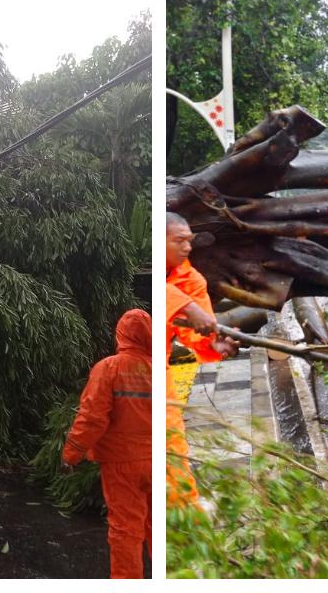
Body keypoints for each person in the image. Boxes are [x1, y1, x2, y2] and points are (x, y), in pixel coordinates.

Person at [61, 309, 152, 579]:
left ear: (121, 335)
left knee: (126, 530)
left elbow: (92, 418)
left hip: (122, 464)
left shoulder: (109, 369)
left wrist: (70, 455)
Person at [165, 212, 237, 508]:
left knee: (171, 441)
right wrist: (184, 305)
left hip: (162, 369)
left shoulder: (192, 280)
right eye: (179, 240)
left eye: (190, 241)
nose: (187, 248)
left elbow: (201, 329)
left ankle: (184, 515)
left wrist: (215, 343)